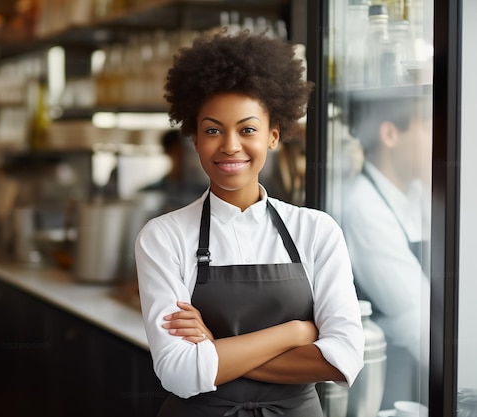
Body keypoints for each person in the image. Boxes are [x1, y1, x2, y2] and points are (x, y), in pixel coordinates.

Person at [134, 30, 364, 417]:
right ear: (195, 140)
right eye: (212, 130)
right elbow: (178, 372)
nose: (229, 145)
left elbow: (341, 361)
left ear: (273, 136)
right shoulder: (163, 236)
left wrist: (215, 348)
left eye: (248, 129)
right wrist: (296, 332)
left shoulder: (317, 231)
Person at [341, 89, 432, 409]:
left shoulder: (417, 194)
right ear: (390, 134)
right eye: (428, 126)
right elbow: (419, 322)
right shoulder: (363, 208)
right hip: (390, 388)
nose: (439, 137)